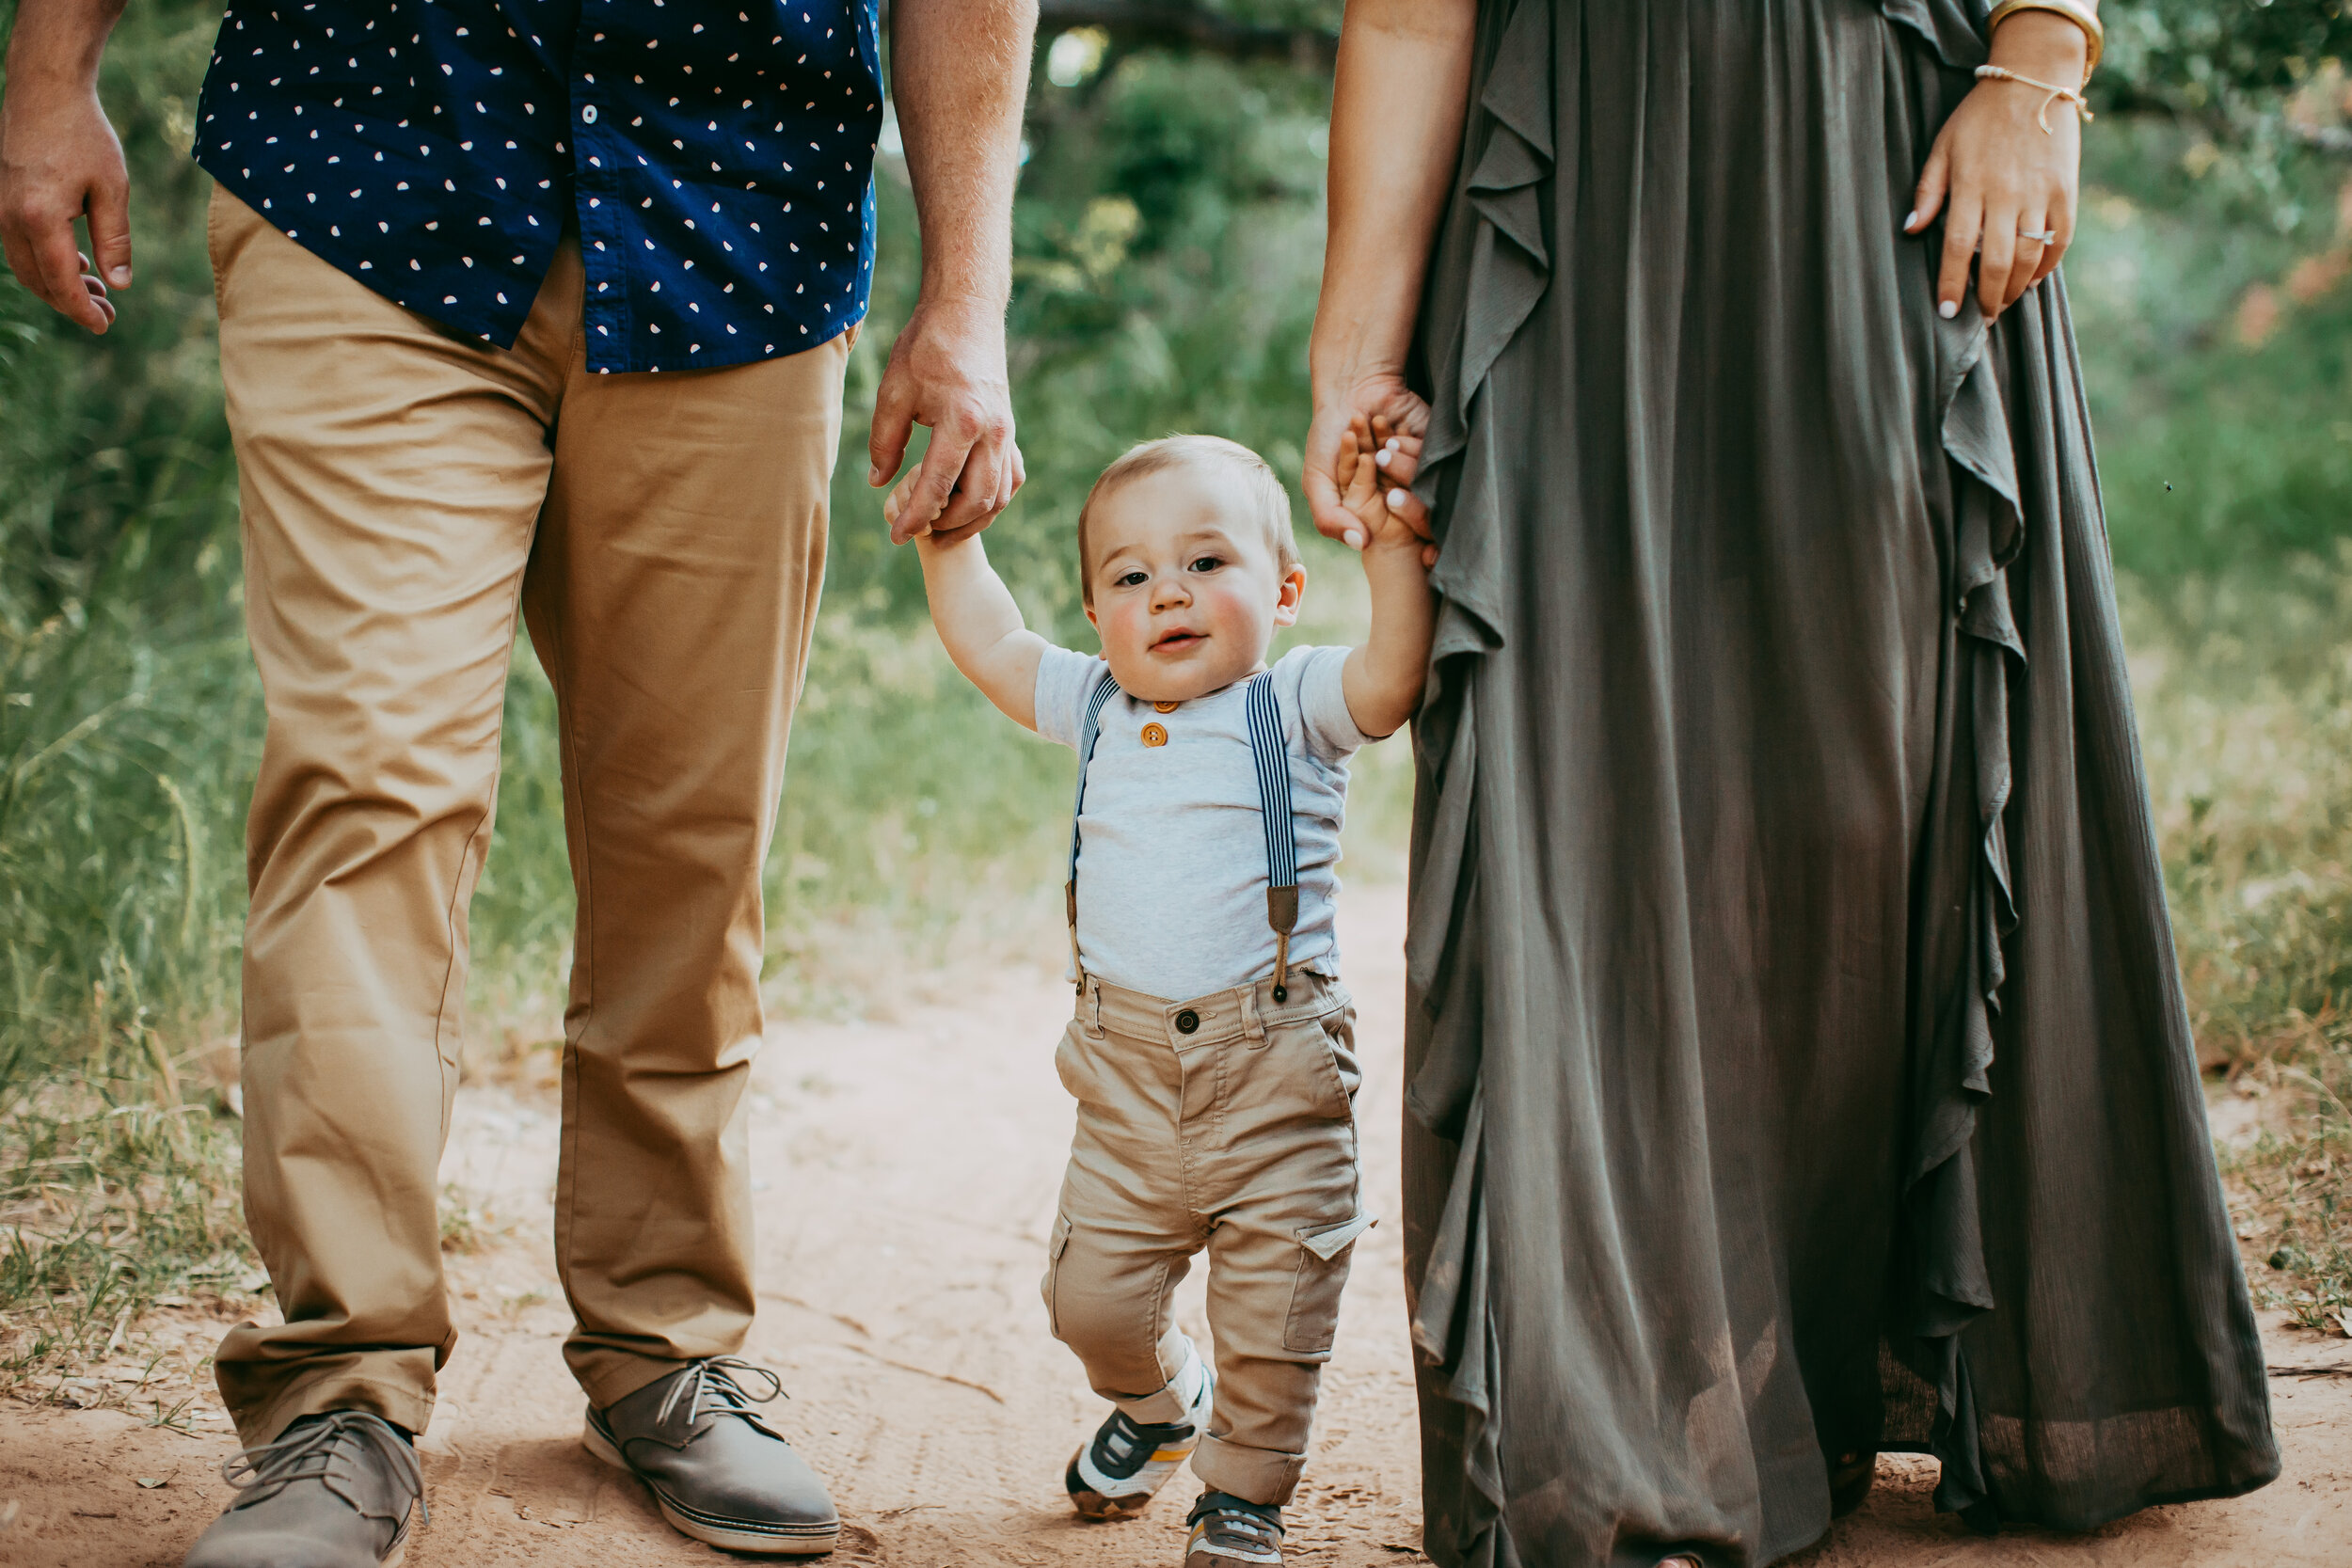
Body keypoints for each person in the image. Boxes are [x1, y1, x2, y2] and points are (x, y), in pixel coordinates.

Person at [0, 0, 1038, 1561]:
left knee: (690, 823)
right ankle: (337, 1387)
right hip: (366, 159)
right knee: (368, 783)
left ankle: (667, 1350)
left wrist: (969, 289)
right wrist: (48, 77)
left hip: (740, 201)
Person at [1302, 2, 2281, 1565]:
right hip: (1575, 181)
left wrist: (2042, 62)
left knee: (1880, 776)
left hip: (1872, 145)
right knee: (1588, 800)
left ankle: (1858, 1352)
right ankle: (1622, 1428)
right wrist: (1355, 345)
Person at [895, 429, 1433, 1567]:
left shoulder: (1294, 704)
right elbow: (991, 640)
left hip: (1275, 1076)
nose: (1168, 593)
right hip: (1125, 1087)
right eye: (1130, 576)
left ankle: (1241, 1497)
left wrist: (1390, 549)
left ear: (1284, 592)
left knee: (1276, 1312)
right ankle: (1159, 1400)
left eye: (1206, 563)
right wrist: (953, 545)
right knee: (1087, 1301)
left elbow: (1392, 675)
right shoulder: (1089, 702)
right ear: (1096, 615)